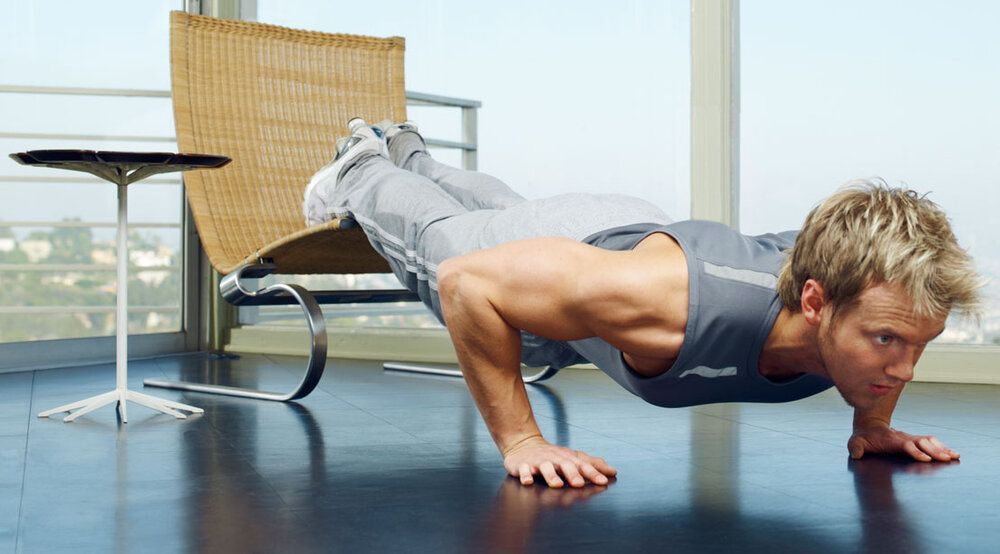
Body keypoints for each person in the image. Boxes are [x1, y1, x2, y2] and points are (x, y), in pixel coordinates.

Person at [303, 118, 984, 489]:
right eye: (888, 344)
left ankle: (412, 151)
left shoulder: (861, 306)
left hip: (621, 236)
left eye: (917, 345)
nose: (903, 370)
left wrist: (871, 423)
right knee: (444, 244)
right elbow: (466, 285)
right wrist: (521, 439)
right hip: (601, 254)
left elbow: (887, 331)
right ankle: (365, 161)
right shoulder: (670, 307)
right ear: (815, 302)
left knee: (512, 212)